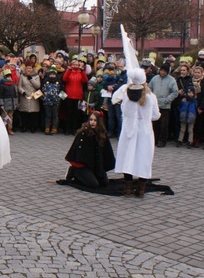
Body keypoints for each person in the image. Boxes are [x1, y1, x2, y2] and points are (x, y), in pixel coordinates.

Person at [113, 68, 160, 198]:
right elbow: (156, 116)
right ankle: (140, 190)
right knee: (143, 157)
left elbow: (123, 111)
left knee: (128, 157)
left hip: (129, 129)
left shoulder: (126, 95)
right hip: (144, 130)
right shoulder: (150, 97)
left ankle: (127, 189)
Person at [59, 112, 115, 189]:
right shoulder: (83, 133)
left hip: (95, 164)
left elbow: (106, 152)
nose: (92, 122)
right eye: (91, 120)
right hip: (83, 165)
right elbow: (78, 152)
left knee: (104, 183)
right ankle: (74, 171)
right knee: (93, 184)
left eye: (95, 120)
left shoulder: (102, 134)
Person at [148, 63, 178, 147]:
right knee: (155, 123)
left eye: (164, 71)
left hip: (165, 105)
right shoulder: (154, 78)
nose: (162, 72)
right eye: (161, 70)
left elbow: (175, 92)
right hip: (155, 104)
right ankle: (155, 139)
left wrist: (167, 100)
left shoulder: (171, 80)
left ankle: (162, 140)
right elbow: (149, 88)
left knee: (163, 124)